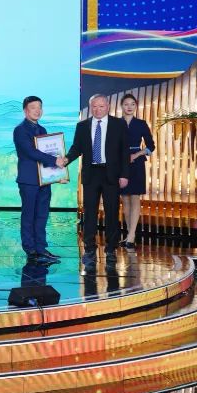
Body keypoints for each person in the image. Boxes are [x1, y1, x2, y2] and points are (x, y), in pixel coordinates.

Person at [59, 94, 130, 268]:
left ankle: (111, 250)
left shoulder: (119, 124)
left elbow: (124, 151)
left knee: (112, 212)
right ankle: (89, 250)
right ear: (91, 107)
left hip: (111, 174)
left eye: (101, 106)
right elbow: (76, 148)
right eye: (94, 107)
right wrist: (66, 159)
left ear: (108, 106)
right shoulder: (82, 126)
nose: (98, 110)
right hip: (91, 174)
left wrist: (124, 175)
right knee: (89, 213)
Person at [13, 95, 67, 265]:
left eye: (39, 107)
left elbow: (47, 154)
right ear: (25, 111)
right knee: (29, 216)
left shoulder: (42, 129)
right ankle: (30, 250)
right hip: (29, 180)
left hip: (44, 180)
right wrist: (55, 161)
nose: (37, 111)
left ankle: (41, 248)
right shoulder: (20, 130)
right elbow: (31, 152)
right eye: (33, 107)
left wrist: (59, 175)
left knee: (42, 215)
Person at [119, 94, 154, 249]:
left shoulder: (141, 124)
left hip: (137, 163)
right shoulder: (116, 123)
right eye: (126, 104)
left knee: (134, 197)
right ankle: (129, 234)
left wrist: (137, 154)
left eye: (132, 104)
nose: (129, 107)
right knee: (125, 199)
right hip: (121, 163)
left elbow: (151, 146)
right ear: (121, 106)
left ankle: (132, 236)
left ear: (136, 106)